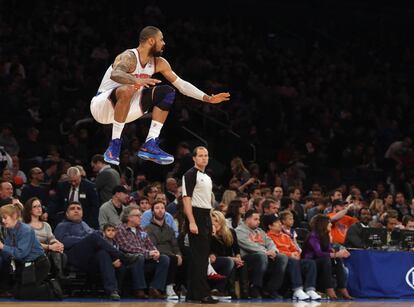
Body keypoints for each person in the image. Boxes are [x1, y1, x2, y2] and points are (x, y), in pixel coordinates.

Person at [90, 26, 230, 165]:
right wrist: (136, 80)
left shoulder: (159, 63)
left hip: (128, 109)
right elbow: (116, 74)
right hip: (102, 105)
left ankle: (150, 144)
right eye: (161, 40)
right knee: (127, 89)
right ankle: (114, 145)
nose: (164, 43)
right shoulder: (128, 56)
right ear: (151, 41)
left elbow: (182, 85)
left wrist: (207, 98)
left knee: (167, 92)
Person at [54, 201, 138, 300]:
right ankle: (121, 256)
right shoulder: (62, 225)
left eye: (78, 208)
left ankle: (112, 290)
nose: (76, 210)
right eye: (72, 209)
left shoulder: (84, 224)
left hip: (90, 258)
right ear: (67, 214)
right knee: (94, 237)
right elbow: (63, 241)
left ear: (82, 212)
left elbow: (97, 237)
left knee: (102, 253)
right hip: (73, 256)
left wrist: (90, 239)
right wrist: (86, 239)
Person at [0, 203, 62, 300]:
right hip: (26, 265)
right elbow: (7, 253)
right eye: (1, 218)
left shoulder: (25, 230)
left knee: (24, 294)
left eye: (5, 218)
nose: (3, 221)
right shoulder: (10, 230)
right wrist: (3, 249)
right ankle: (40, 287)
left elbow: (21, 254)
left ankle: (51, 288)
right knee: (16, 293)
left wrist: (2, 247)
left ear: (14, 216)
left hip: (39, 264)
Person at [182, 146, 218, 303]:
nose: (204, 158)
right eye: (201, 156)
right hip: (195, 215)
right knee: (200, 259)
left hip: (205, 216)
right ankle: (203, 294)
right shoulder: (190, 174)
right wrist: (191, 221)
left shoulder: (207, 177)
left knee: (201, 258)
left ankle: (192, 294)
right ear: (194, 158)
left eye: (206, 155)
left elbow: (207, 202)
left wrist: (211, 222)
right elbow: (186, 198)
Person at [115, 205, 169, 299]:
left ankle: (155, 288)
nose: (140, 217)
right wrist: (147, 253)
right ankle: (139, 289)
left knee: (164, 258)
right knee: (138, 257)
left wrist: (156, 252)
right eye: (137, 215)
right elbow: (126, 247)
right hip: (128, 259)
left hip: (144, 259)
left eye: (140, 215)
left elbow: (150, 245)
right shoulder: (120, 229)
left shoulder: (141, 230)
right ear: (129, 217)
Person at [262, 214, 321, 301]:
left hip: (293, 258)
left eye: (279, 222)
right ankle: (297, 290)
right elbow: (275, 251)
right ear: (270, 226)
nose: (280, 224)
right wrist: (290, 255)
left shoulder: (285, 236)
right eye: (276, 223)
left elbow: (295, 248)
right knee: (293, 261)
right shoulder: (268, 237)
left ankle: (310, 289)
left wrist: (297, 254)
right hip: (279, 261)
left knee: (310, 262)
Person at [235, 209, 288, 299]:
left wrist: (274, 251)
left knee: (282, 257)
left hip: (264, 256)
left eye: (259, 219)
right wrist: (265, 252)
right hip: (247, 258)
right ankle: (255, 287)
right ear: (247, 219)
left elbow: (270, 243)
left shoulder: (260, 231)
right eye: (255, 219)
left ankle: (271, 289)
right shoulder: (239, 230)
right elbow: (249, 245)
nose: (258, 222)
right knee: (261, 256)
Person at [302, 214, 352, 300]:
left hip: (321, 261)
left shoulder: (326, 235)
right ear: (323, 224)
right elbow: (318, 254)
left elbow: (329, 250)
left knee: (337, 259)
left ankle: (342, 288)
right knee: (326, 259)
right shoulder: (313, 236)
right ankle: (329, 288)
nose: (331, 224)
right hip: (310, 262)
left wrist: (338, 253)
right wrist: (336, 254)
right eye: (329, 222)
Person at [145, 201, 182, 299]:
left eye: (162, 208)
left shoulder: (169, 229)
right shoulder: (148, 228)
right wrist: (174, 255)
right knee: (171, 258)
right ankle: (168, 288)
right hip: (157, 255)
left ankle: (184, 289)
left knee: (184, 259)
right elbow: (152, 246)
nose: (160, 210)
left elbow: (175, 245)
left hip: (170, 254)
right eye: (157, 208)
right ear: (153, 212)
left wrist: (179, 254)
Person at [22, 197, 65, 280]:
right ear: (29, 210)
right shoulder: (25, 226)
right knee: (53, 254)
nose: (39, 209)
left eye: (40, 206)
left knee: (58, 253)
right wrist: (49, 247)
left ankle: (58, 277)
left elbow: (51, 239)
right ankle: (58, 277)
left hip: (47, 253)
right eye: (35, 207)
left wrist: (58, 244)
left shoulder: (46, 225)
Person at [210, 210, 246, 298]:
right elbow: (213, 253)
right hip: (216, 260)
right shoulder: (209, 234)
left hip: (230, 259)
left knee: (242, 264)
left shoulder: (231, 232)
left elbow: (236, 249)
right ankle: (222, 290)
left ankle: (244, 294)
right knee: (229, 261)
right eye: (212, 221)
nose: (214, 224)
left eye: (216, 221)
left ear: (222, 222)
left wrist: (238, 258)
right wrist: (212, 234)